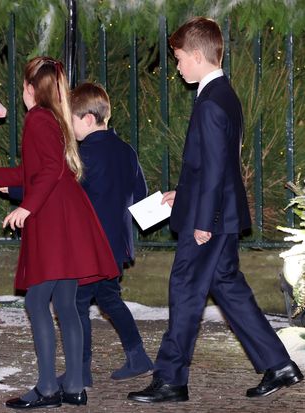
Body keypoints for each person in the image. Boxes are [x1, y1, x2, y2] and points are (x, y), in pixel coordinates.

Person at [127, 17, 303, 404]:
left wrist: (202, 219)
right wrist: (183, 195)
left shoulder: (210, 101)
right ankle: (278, 364)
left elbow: (215, 169)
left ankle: (171, 380)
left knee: (185, 290)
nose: (176, 67)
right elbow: (215, 165)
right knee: (228, 287)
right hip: (219, 213)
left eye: (177, 59)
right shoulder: (224, 93)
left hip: (210, 220)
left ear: (195, 55)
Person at [0, 56, 119, 410]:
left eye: (24, 85)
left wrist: (26, 207)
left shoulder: (37, 118)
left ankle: (49, 389)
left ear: (30, 89)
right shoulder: (56, 118)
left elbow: (48, 171)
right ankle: (76, 388)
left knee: (37, 302)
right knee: (65, 304)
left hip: (53, 218)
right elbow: (40, 170)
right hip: (68, 215)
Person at [70, 82, 153, 386]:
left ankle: (81, 370)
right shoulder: (126, 151)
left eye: (73, 121)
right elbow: (141, 195)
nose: (72, 129)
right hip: (116, 245)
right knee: (110, 299)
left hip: (87, 247)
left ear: (88, 119)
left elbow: (66, 197)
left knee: (77, 304)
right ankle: (137, 356)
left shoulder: (82, 155)